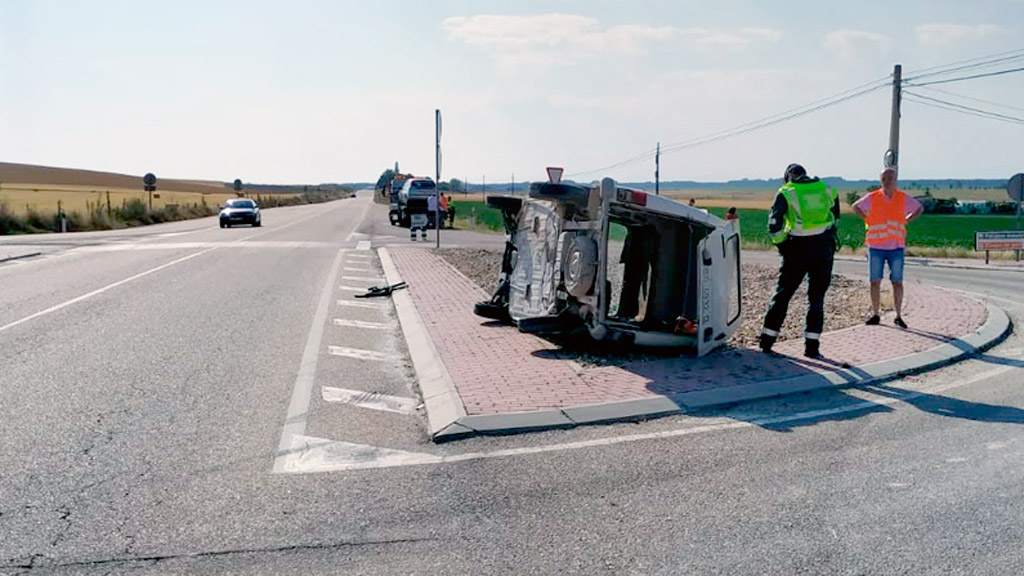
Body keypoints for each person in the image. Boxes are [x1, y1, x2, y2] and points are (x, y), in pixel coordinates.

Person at [760, 163, 840, 358]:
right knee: (817, 298)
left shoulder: (787, 192)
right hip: (823, 249)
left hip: (796, 249)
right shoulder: (827, 189)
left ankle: (767, 341)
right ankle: (812, 347)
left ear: (788, 177)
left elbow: (773, 224)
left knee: (783, 295)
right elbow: (835, 218)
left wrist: (782, 245)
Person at [852, 167, 924, 328]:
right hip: (876, 246)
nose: (887, 182)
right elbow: (855, 206)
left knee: (897, 281)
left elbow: (919, 208)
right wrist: (867, 218)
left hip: (896, 246)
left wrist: (907, 219)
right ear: (881, 180)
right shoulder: (873, 197)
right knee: (874, 281)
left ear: (895, 180)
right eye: (884, 179)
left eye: (890, 179)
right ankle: (876, 314)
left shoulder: (902, 198)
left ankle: (898, 315)